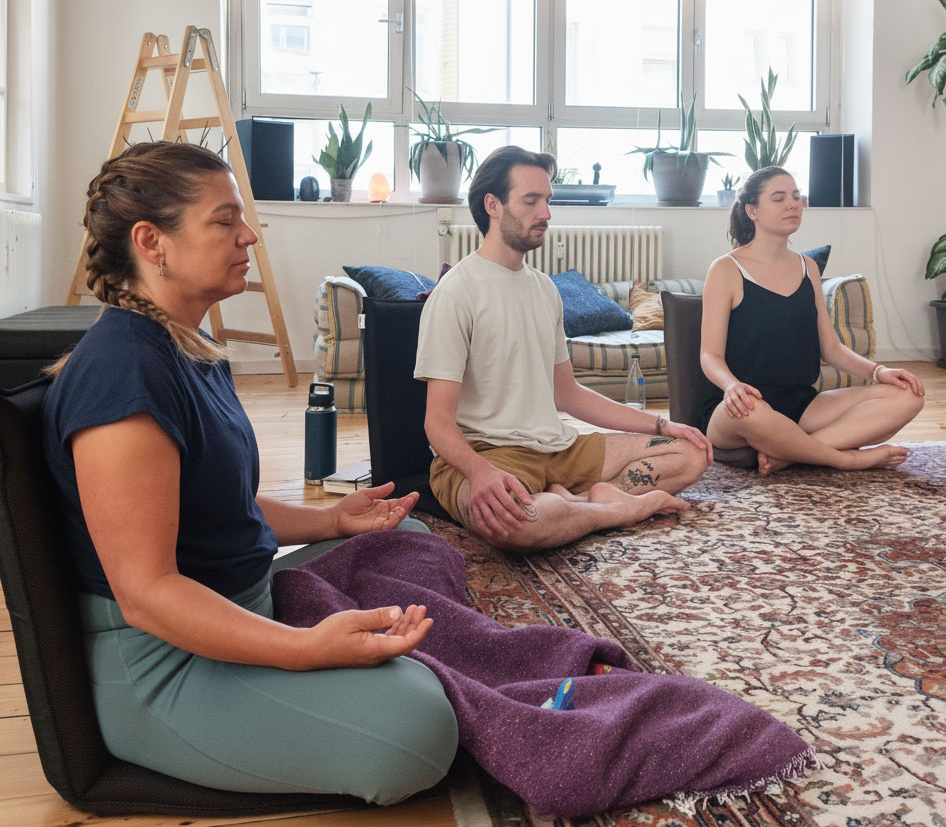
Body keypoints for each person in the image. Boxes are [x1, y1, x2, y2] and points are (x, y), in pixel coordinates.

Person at [41, 142, 458, 805]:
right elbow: (147, 594)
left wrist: (330, 521)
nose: (248, 235)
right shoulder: (123, 373)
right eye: (224, 220)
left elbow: (219, 505)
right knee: (420, 728)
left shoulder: (185, 348)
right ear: (152, 242)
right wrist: (305, 650)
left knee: (411, 547)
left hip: (239, 603)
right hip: (165, 666)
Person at [414, 145, 712, 551]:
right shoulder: (455, 295)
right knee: (523, 523)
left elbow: (566, 394)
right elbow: (437, 423)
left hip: (559, 449)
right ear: (493, 205)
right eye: (531, 201)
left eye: (548, 201)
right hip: (490, 455)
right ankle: (618, 508)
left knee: (689, 454)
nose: (546, 214)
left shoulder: (544, 289)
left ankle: (578, 504)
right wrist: (480, 474)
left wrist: (662, 426)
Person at [700, 165, 924, 477]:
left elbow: (830, 348)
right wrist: (732, 385)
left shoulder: (808, 268)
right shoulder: (726, 269)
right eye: (779, 198)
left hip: (803, 405)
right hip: (740, 407)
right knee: (754, 411)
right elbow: (709, 354)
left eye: (796, 196)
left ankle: (791, 454)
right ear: (752, 210)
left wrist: (879, 371)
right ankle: (846, 459)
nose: (793, 204)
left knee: (908, 395)